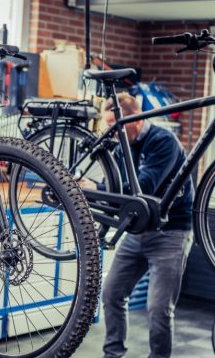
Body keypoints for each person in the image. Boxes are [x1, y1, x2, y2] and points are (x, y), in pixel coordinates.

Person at [82, 93, 194, 358]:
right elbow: (118, 191)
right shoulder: (124, 146)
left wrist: (96, 189)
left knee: (158, 309)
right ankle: (113, 354)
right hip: (138, 232)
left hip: (171, 233)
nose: (113, 131)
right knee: (111, 293)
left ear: (133, 119)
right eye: (109, 125)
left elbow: (142, 190)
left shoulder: (162, 142)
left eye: (117, 124)